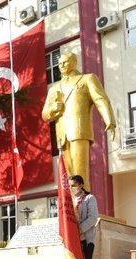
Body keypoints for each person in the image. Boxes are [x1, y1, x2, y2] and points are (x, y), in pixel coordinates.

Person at [41, 52, 115, 191]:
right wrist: (53, 110)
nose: (61, 65)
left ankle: (84, 204)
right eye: (59, 63)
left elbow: (100, 99)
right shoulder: (54, 88)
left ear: (74, 62)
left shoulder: (87, 79)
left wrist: (109, 120)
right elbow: (45, 115)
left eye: (65, 62)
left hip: (79, 130)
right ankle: (72, 206)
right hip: (62, 135)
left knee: (80, 172)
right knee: (69, 175)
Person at [70, 174, 98, 259]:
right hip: (73, 242)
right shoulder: (69, 200)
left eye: (74, 185)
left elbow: (93, 218)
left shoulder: (89, 199)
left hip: (86, 240)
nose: (72, 188)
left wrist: (78, 230)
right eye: (70, 185)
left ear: (81, 184)